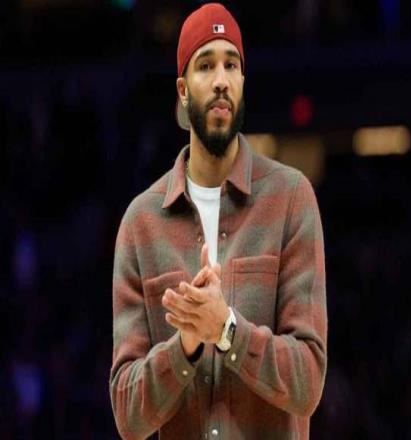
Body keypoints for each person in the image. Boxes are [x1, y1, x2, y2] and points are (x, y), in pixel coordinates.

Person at [109, 3, 327, 439]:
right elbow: (128, 415)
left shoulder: (291, 198)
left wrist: (226, 330)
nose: (221, 79)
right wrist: (186, 347)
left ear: (243, 83)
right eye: (206, 65)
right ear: (183, 90)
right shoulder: (141, 223)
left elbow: (307, 382)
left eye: (231, 65)